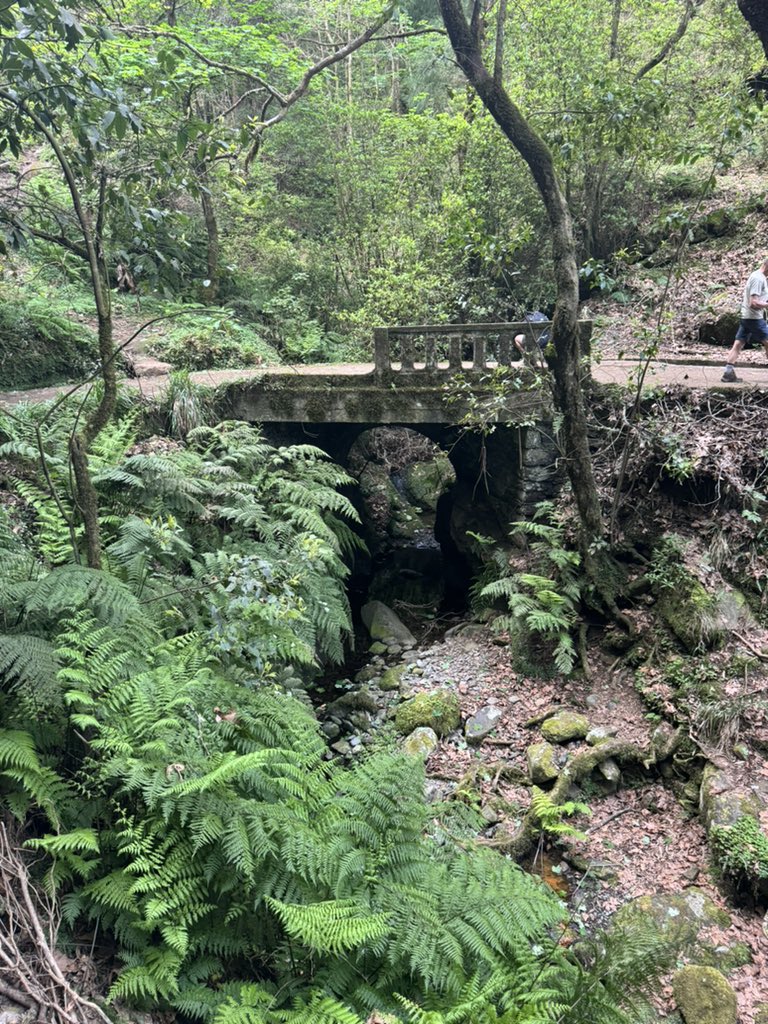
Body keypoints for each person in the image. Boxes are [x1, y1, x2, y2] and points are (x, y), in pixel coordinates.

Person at [721, 257, 768, 382]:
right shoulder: (758, 279)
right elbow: (753, 303)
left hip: (747, 317)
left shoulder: (758, 277)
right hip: (754, 318)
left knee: (738, 344)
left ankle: (728, 373)